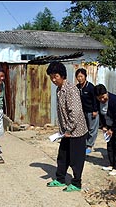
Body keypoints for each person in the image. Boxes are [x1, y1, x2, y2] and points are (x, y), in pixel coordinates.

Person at [45, 61, 88, 192]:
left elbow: (74, 112)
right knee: (63, 156)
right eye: (51, 77)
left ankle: (76, 183)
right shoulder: (59, 90)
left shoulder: (71, 89)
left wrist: (69, 129)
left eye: (55, 76)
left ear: (62, 75)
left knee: (76, 159)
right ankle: (60, 179)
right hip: (66, 132)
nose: (53, 79)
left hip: (76, 131)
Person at [94, 84, 116, 176]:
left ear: (106, 93)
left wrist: (112, 129)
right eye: (99, 98)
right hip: (109, 124)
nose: (102, 100)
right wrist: (104, 126)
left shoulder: (114, 100)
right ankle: (111, 164)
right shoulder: (98, 102)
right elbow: (101, 115)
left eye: (103, 97)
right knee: (110, 144)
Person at [75, 68, 99, 155]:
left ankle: (89, 145)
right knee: (84, 128)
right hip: (82, 112)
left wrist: (95, 110)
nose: (80, 78)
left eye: (81, 76)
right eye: (78, 77)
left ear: (85, 76)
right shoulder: (77, 87)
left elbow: (95, 99)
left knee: (92, 129)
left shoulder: (90, 87)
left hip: (91, 111)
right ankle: (84, 144)